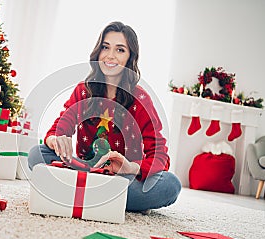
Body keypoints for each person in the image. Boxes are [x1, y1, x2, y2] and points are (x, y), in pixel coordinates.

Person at [28, 21, 181, 213]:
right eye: (105, 47)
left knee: (170, 185)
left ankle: (80, 194)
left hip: (123, 178)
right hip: (86, 171)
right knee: (37, 153)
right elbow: (59, 126)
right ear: (98, 52)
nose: (110, 56)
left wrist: (131, 167)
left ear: (130, 57)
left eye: (120, 50)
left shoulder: (141, 99)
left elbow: (160, 155)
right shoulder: (83, 91)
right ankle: (104, 198)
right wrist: (55, 140)